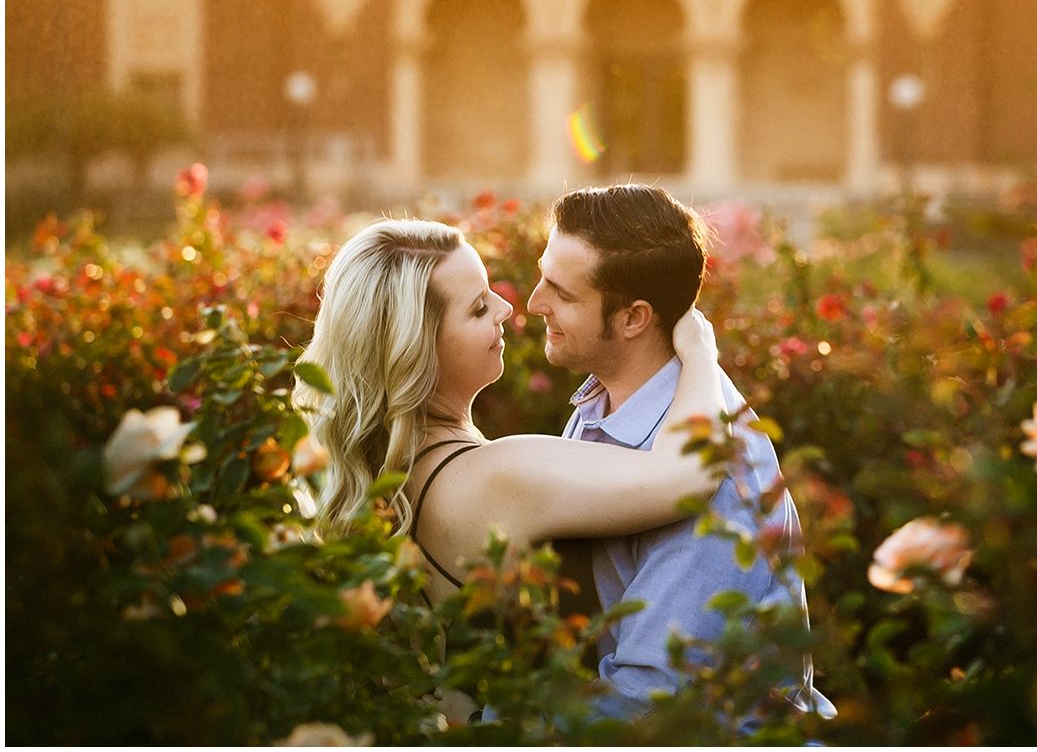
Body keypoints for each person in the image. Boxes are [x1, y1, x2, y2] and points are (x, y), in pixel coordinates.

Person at [291, 216, 727, 610]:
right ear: (417, 351)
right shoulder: (495, 477)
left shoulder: (393, 474)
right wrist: (701, 351)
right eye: (479, 307)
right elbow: (689, 474)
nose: (506, 308)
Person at [533, 184, 831, 721]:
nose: (535, 304)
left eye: (562, 293)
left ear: (632, 318)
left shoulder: (718, 475)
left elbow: (650, 702)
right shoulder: (605, 405)